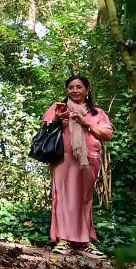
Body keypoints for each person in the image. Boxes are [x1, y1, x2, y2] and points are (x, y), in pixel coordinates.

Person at [42, 75, 113, 258]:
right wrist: (57, 119)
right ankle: (64, 240)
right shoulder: (58, 107)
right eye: (71, 87)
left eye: (79, 87)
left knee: (84, 199)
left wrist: (86, 123)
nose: (74, 90)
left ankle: (84, 243)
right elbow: (45, 130)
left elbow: (106, 135)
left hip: (89, 159)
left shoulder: (97, 113)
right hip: (63, 158)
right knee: (64, 198)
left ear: (87, 90)